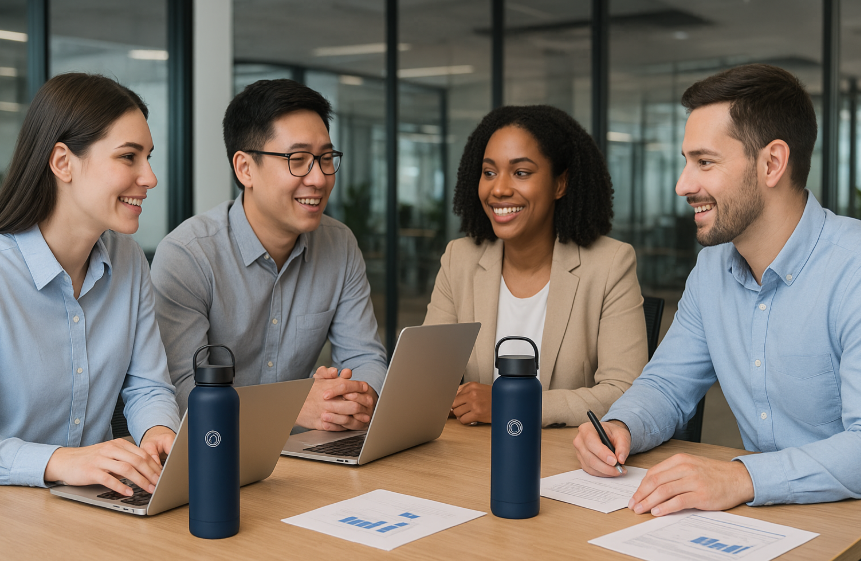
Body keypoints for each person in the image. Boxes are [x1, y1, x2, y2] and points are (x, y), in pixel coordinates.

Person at [573, 63, 861, 513]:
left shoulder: (853, 269)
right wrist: (621, 425)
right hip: (767, 524)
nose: (682, 185)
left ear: (772, 163)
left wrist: (744, 475)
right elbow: (668, 386)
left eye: (704, 162)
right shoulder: (711, 270)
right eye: (686, 162)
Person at [151, 79, 386, 432]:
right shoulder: (188, 256)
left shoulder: (340, 244)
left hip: (306, 453)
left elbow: (366, 358)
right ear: (245, 168)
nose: (319, 179)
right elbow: (181, 393)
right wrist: (289, 408)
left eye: (325, 158)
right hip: (219, 454)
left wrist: (354, 395)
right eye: (298, 159)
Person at [0, 73, 180, 497]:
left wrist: (158, 431)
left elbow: (147, 385)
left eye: (148, 157)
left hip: (96, 502)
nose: (150, 177)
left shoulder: (128, 259)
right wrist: (60, 460)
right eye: (128, 157)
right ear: (63, 162)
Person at [423, 105, 648, 428]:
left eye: (521, 173)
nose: (499, 188)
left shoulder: (611, 263)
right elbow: (427, 379)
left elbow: (626, 392)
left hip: (568, 460)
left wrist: (511, 404)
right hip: (474, 456)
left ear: (560, 184)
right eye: (489, 172)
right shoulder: (460, 258)